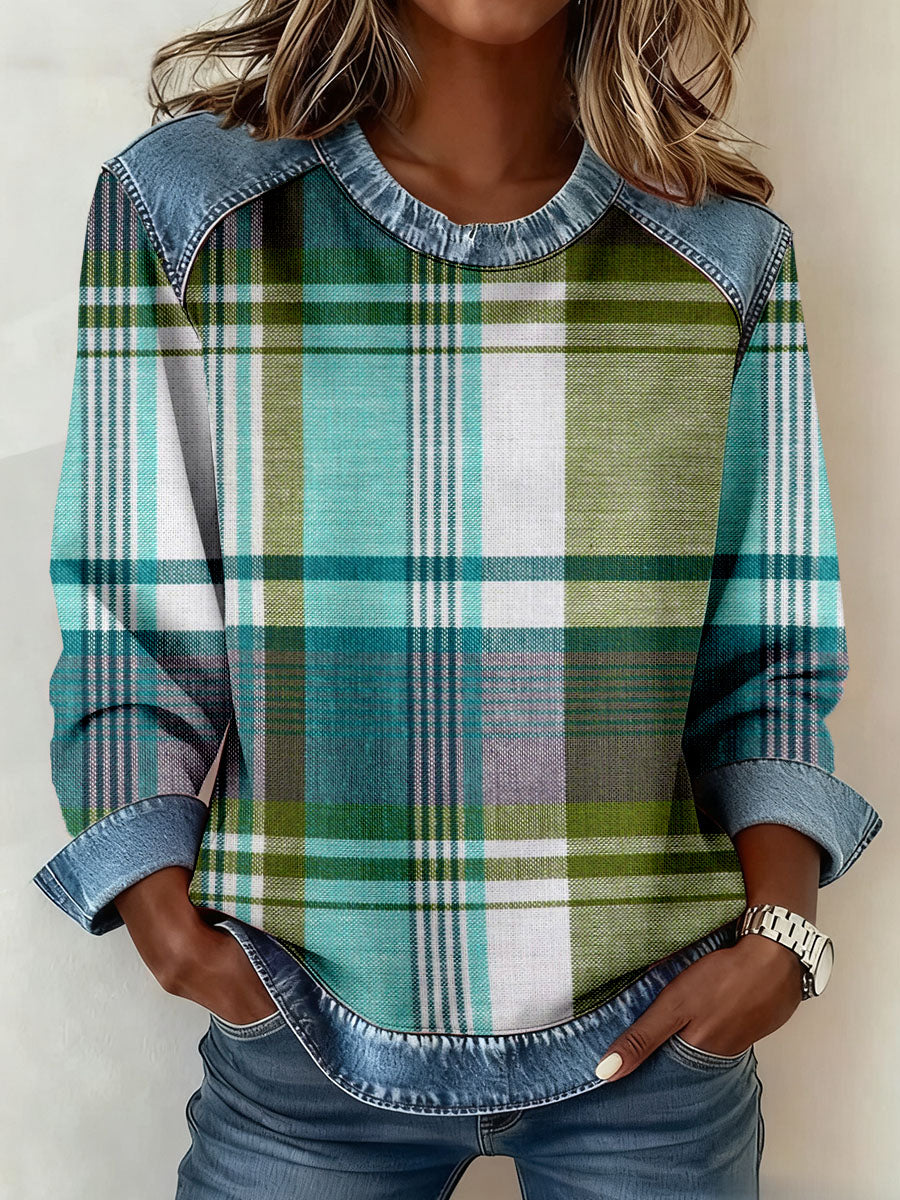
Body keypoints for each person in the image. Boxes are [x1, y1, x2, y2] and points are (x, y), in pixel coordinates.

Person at [32, 1, 883, 1197]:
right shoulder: (190, 215)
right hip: (300, 1033)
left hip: (658, 1046)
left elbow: (767, 662)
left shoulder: (723, 253)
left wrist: (779, 944)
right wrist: (165, 923)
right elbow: (135, 622)